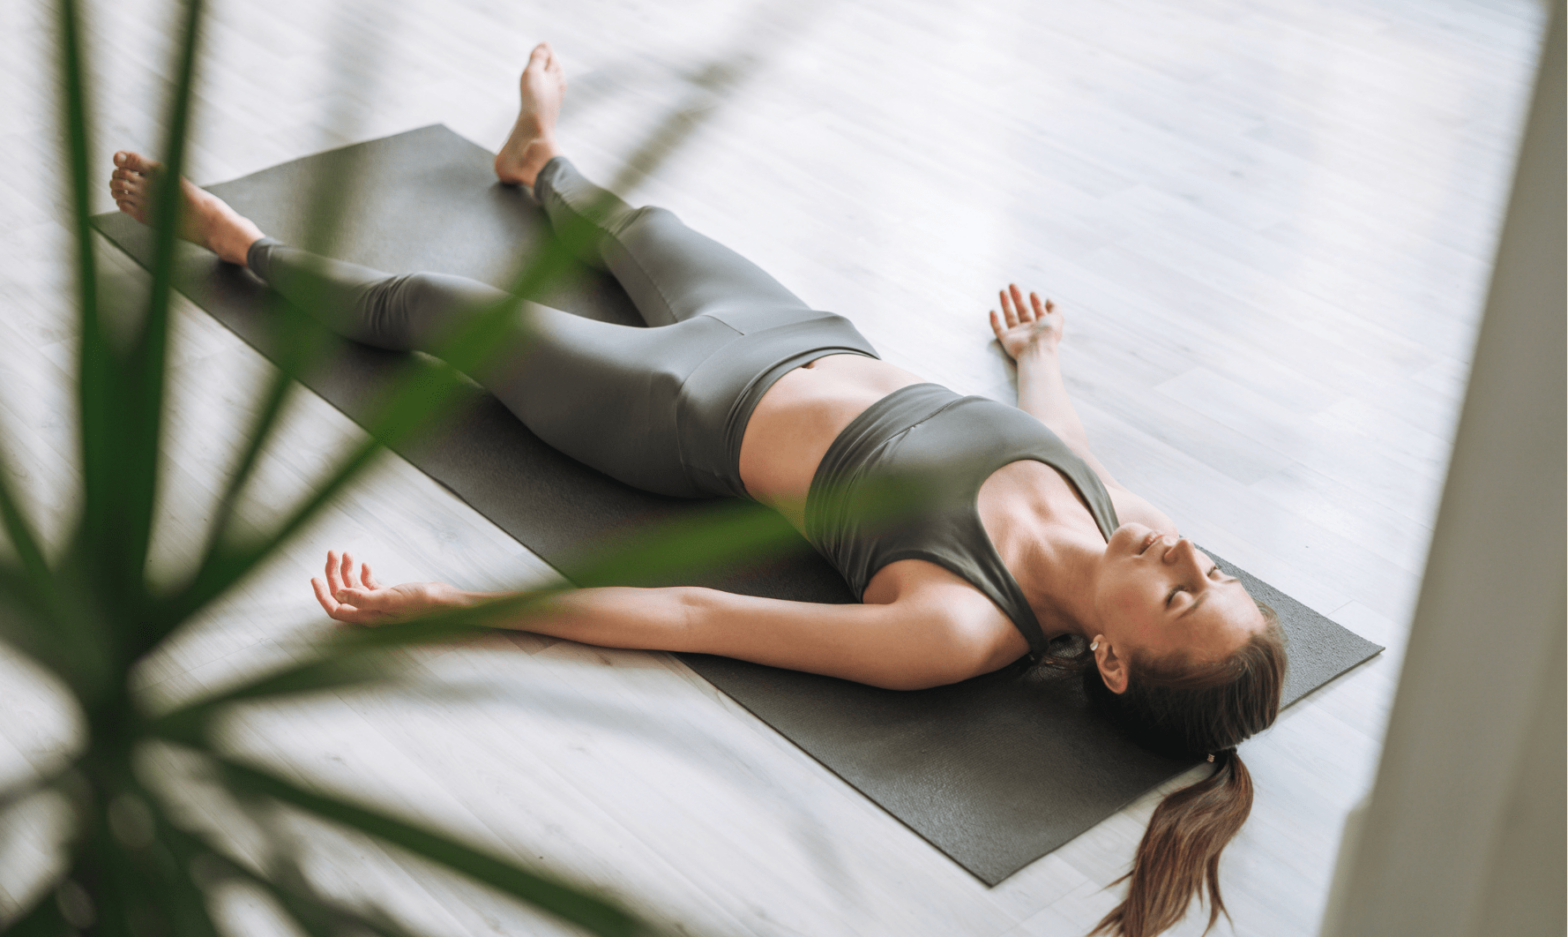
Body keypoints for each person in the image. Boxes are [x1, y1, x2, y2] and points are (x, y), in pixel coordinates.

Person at [109, 42, 1286, 937]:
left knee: (433, 306)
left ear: (1116, 663)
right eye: (1211, 570)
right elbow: (1055, 433)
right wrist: (1039, 357)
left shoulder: (957, 625)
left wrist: (450, 606)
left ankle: (236, 244)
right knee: (639, 225)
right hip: (801, 328)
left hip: (678, 407)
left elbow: (692, 618)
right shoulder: (1127, 522)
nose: (1186, 559)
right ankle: (537, 159)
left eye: (1182, 598)